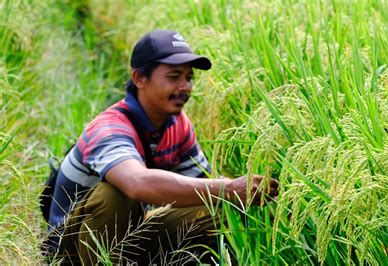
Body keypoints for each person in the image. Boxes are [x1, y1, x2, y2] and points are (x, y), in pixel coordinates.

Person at [44, 29, 278, 264]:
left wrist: (251, 198)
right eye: (174, 76)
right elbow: (137, 183)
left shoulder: (178, 126)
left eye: (189, 77)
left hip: (129, 234)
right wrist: (228, 187)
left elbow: (204, 189)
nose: (184, 86)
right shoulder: (109, 127)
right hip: (72, 247)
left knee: (223, 208)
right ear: (139, 79)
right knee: (116, 192)